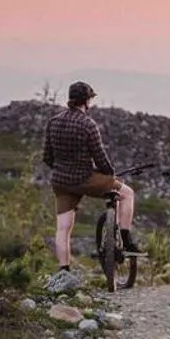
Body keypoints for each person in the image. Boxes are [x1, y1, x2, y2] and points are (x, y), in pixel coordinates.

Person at [42, 81, 136, 292]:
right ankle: (126, 238)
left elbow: (47, 156)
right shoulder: (88, 124)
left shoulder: (53, 122)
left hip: (61, 182)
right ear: (86, 100)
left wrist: (62, 168)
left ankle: (64, 270)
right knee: (127, 194)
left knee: (63, 228)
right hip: (85, 178)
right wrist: (109, 174)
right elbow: (100, 157)